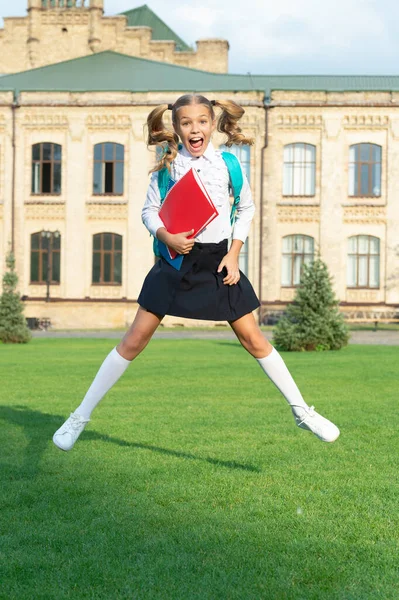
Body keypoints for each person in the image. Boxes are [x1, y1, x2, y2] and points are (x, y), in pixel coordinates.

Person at [53, 94, 340, 452]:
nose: (195, 129)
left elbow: (246, 209)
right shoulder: (166, 167)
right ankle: (79, 417)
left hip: (220, 262)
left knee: (254, 340)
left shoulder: (229, 164)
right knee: (133, 340)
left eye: (201, 121)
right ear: (176, 127)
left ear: (213, 124)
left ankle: (302, 411)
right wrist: (165, 235)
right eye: (186, 123)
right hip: (175, 262)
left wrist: (235, 254)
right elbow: (149, 211)